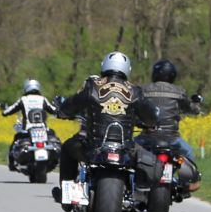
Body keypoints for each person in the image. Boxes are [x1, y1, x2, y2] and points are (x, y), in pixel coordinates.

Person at [52, 52, 144, 203]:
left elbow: (72, 104)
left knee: (68, 148)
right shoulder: (135, 90)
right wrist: (151, 121)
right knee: (145, 157)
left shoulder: (93, 86)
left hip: (94, 145)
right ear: (128, 69)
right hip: (125, 147)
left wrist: (62, 111)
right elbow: (150, 115)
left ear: (104, 66)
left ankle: (66, 193)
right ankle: (137, 194)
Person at [135, 59, 203, 187]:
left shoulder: (143, 90)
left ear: (154, 73)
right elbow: (191, 108)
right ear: (173, 75)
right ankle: (190, 183)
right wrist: (196, 108)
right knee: (188, 153)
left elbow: (135, 107)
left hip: (148, 137)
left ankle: (129, 181)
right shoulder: (179, 92)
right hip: (172, 139)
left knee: (129, 152)